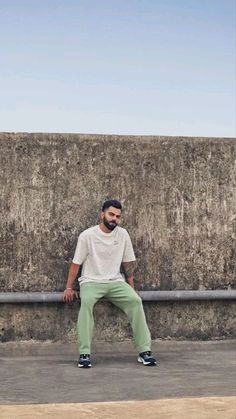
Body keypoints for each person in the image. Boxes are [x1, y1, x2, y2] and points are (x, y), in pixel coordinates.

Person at [63, 199, 157, 368]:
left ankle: (144, 351)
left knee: (136, 301)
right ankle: (84, 354)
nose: (115, 219)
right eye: (111, 214)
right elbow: (76, 264)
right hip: (91, 281)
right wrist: (69, 288)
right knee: (86, 303)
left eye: (118, 216)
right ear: (102, 214)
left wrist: (131, 289)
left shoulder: (123, 234)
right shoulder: (87, 235)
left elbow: (128, 264)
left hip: (115, 281)